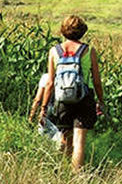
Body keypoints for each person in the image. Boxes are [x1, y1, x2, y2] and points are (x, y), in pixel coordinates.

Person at [39, 15, 105, 171]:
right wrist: (101, 101)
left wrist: (43, 108)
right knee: (79, 140)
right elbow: (96, 81)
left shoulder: (54, 51)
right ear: (82, 31)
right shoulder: (89, 51)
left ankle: (62, 172)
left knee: (65, 139)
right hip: (84, 97)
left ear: (63, 31)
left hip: (61, 98)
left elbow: (49, 82)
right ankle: (76, 176)